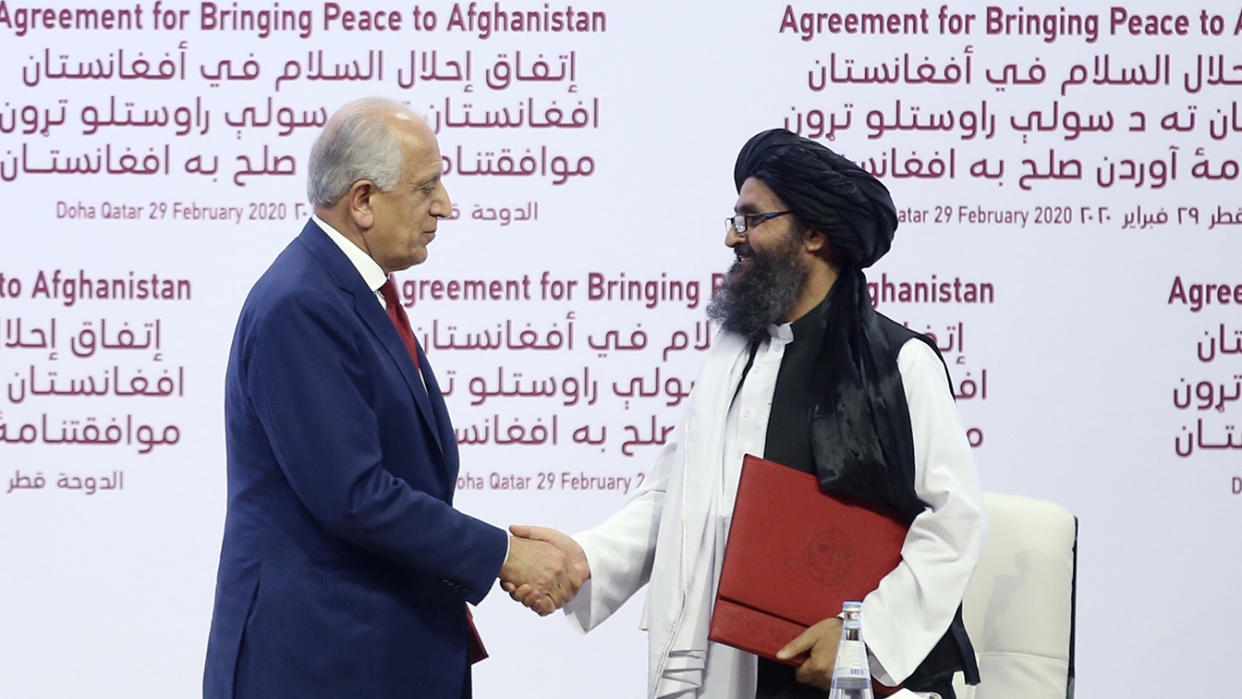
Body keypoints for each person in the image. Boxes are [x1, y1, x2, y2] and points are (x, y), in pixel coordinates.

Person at [510, 129, 986, 698]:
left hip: (851, 676)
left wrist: (864, 637)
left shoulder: (899, 363)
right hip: (736, 662)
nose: (735, 236)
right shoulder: (734, 358)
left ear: (812, 233)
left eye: (753, 218)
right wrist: (588, 557)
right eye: (734, 219)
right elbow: (677, 497)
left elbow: (953, 522)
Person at [203, 97, 579, 699]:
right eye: (426, 186)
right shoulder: (301, 304)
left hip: (372, 654)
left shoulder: (348, 290)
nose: (445, 206)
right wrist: (503, 554)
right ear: (363, 201)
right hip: (320, 664)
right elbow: (353, 495)